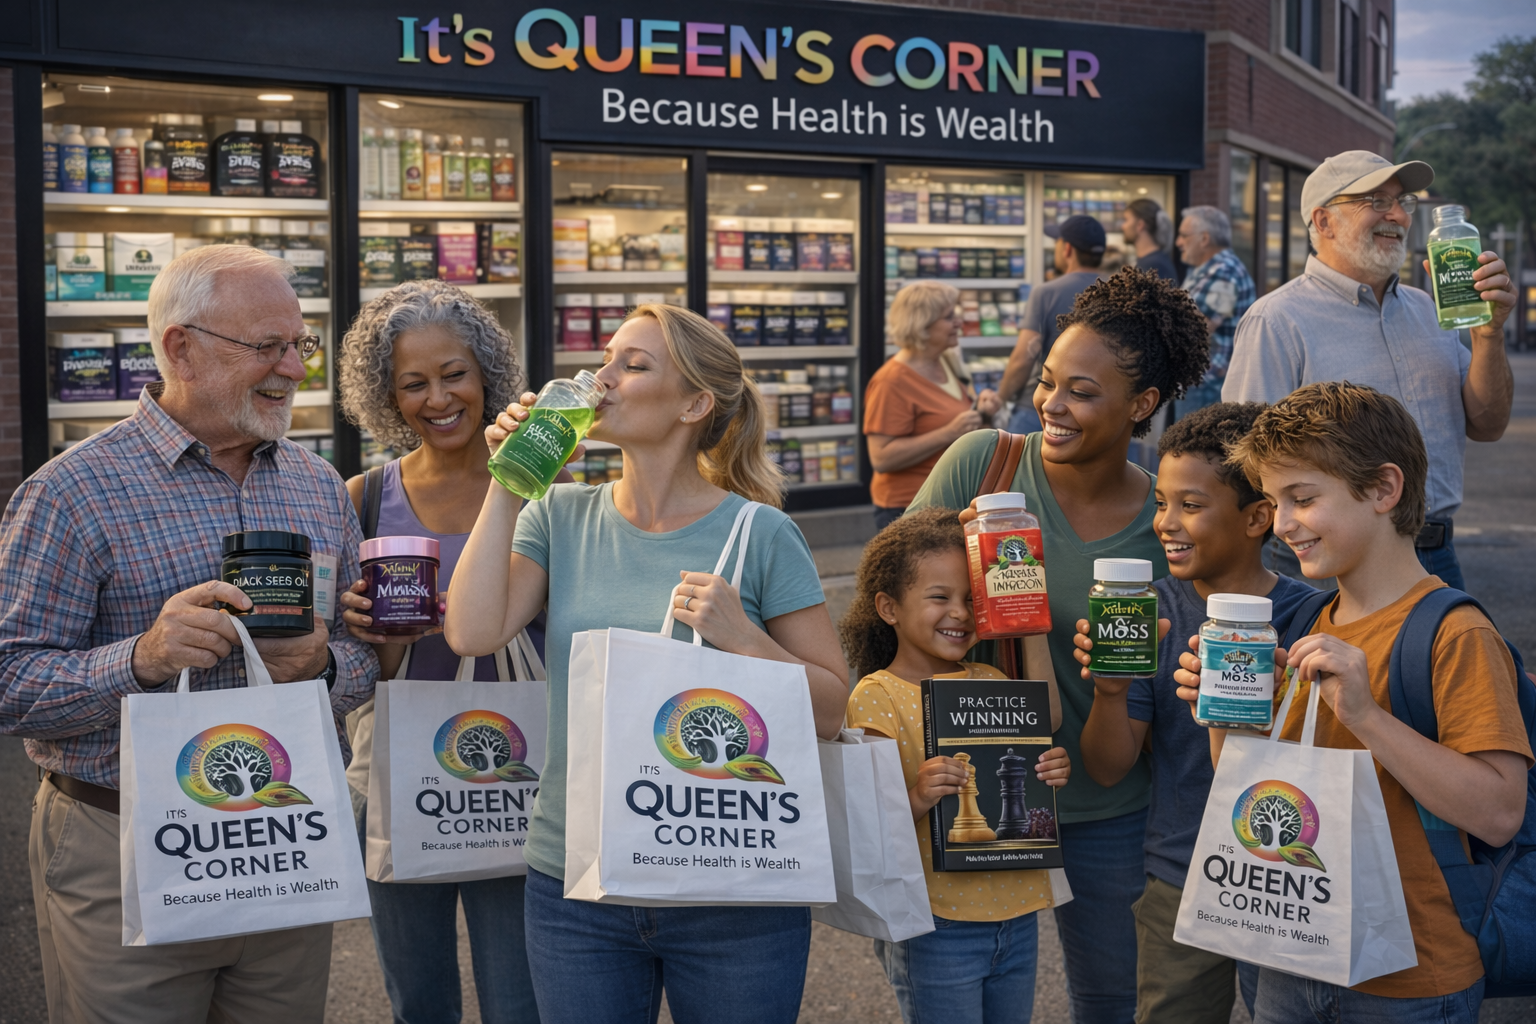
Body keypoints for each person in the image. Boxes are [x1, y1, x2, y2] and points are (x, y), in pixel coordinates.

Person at [0, 245, 377, 1022]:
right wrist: (141, 659)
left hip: (284, 835)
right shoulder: (70, 493)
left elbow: (363, 656)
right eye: (266, 346)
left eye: (298, 345)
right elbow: (10, 685)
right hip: (123, 839)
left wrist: (325, 666)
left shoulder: (316, 487)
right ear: (181, 346)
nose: (293, 369)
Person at [444, 303, 849, 1024]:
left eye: (632, 366)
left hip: (734, 879)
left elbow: (830, 707)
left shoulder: (761, 533)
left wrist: (745, 639)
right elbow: (473, 632)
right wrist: (508, 482)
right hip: (578, 880)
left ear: (695, 403)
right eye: (606, 360)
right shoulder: (559, 516)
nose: (602, 380)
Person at [907, 268, 1211, 1024]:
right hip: (972, 787)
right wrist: (966, 600)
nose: (1051, 405)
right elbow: (887, 605)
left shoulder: (1165, 525)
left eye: (1081, 391)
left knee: (1110, 1000)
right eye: (1047, 383)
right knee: (959, 999)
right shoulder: (984, 465)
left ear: (1141, 405)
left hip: (1111, 802)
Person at [1175, 382, 1530, 1022]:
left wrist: (1366, 715)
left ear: (1383, 490)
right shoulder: (1313, 622)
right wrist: (1224, 717)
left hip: (1414, 980)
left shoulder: (1456, 634)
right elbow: (1259, 790)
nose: (1282, 524)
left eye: (1303, 498)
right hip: (1295, 953)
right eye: (1275, 501)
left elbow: (1499, 812)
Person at [334, 280, 541, 1024]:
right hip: (399, 766)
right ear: (388, 398)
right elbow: (361, 676)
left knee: (520, 998)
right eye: (412, 383)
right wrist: (376, 636)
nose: (438, 398)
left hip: (518, 763)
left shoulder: (543, 492)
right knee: (417, 996)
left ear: (487, 373)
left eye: (454, 374)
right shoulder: (360, 497)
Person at [1071, 403, 1315, 1024]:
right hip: (1182, 876)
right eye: (1161, 503)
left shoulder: (1313, 615)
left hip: (1289, 882)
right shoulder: (1149, 611)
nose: (1167, 523)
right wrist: (1109, 690)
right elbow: (1107, 766)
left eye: (1192, 505)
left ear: (1259, 517)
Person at [1222, 150, 1516, 590]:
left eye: (1404, 202)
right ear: (1323, 222)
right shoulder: (1276, 320)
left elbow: (1488, 424)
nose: (1398, 215)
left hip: (1435, 557)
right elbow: (1248, 463)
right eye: (1376, 201)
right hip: (1331, 566)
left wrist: (1488, 335)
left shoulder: (1429, 308)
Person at [841, 507, 1071, 1024]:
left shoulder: (989, 676)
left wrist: (1050, 769)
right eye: (940, 597)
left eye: (973, 599)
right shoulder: (877, 695)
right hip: (934, 921)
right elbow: (866, 821)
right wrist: (919, 794)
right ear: (888, 607)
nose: (960, 613)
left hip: (1017, 912)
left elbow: (1046, 723)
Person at [866, 281, 1002, 530]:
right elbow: (881, 457)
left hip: (949, 503)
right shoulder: (892, 380)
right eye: (949, 317)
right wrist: (948, 432)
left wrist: (983, 414)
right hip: (909, 509)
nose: (959, 322)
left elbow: (961, 429)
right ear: (922, 324)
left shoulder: (947, 363)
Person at [1000, 215, 1108, 435]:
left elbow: (1023, 358)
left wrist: (1000, 398)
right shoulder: (1120, 292)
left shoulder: (1046, 292)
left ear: (1067, 249)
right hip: (1100, 408)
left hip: (1044, 408)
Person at [1174, 206, 1256, 420]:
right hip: (1203, 382)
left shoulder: (1223, 272)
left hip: (1207, 385)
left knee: (1191, 452)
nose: (1178, 242)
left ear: (1204, 238)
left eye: (1183, 235)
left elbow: (1198, 327)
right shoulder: (1209, 268)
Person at [1122, 198, 1178, 283]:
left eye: (1126, 220)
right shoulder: (1152, 261)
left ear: (1140, 225)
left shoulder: (1153, 266)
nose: (1123, 226)